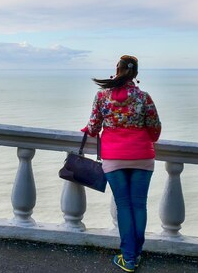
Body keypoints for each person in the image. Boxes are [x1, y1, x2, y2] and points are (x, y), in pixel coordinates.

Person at [81, 55, 161, 272]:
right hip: (142, 156)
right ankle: (135, 253)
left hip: (114, 157)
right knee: (139, 205)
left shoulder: (102, 96)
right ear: (135, 74)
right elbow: (155, 130)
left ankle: (128, 258)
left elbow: (93, 127)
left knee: (124, 205)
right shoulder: (144, 98)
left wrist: (88, 130)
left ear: (116, 70)